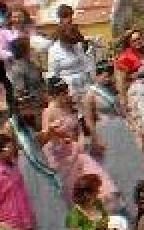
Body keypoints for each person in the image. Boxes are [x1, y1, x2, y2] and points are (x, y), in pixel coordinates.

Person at [41, 78, 118, 210]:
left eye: (66, 92)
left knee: (95, 175)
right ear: (53, 95)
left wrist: (81, 140)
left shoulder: (70, 106)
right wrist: (57, 134)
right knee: (74, 188)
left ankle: (103, 206)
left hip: (78, 150)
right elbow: (45, 136)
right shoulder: (48, 112)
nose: (66, 96)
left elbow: (79, 127)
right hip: (61, 155)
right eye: (62, 94)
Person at [84, 61, 144, 219]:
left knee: (130, 165)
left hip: (120, 130)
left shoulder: (112, 90)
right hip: (104, 132)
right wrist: (95, 138)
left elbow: (123, 110)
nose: (106, 77)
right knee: (113, 169)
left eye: (108, 73)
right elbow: (89, 119)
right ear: (97, 75)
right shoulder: (91, 93)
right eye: (103, 74)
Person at [0, 132, 36, 229]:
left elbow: (22, 193)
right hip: (8, 223)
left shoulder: (14, 167)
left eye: (11, 147)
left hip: (25, 218)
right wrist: (0, 224)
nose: (11, 150)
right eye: (7, 148)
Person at [5, 36, 44, 127]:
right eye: (29, 47)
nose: (32, 49)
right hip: (32, 108)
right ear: (24, 51)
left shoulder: (29, 63)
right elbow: (20, 93)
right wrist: (31, 112)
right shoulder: (18, 69)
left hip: (38, 101)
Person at [47, 26, 92, 100]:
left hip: (85, 83)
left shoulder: (77, 45)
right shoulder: (54, 50)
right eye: (70, 43)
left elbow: (85, 63)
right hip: (69, 89)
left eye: (74, 43)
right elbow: (53, 74)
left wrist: (91, 84)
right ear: (62, 40)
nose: (73, 45)